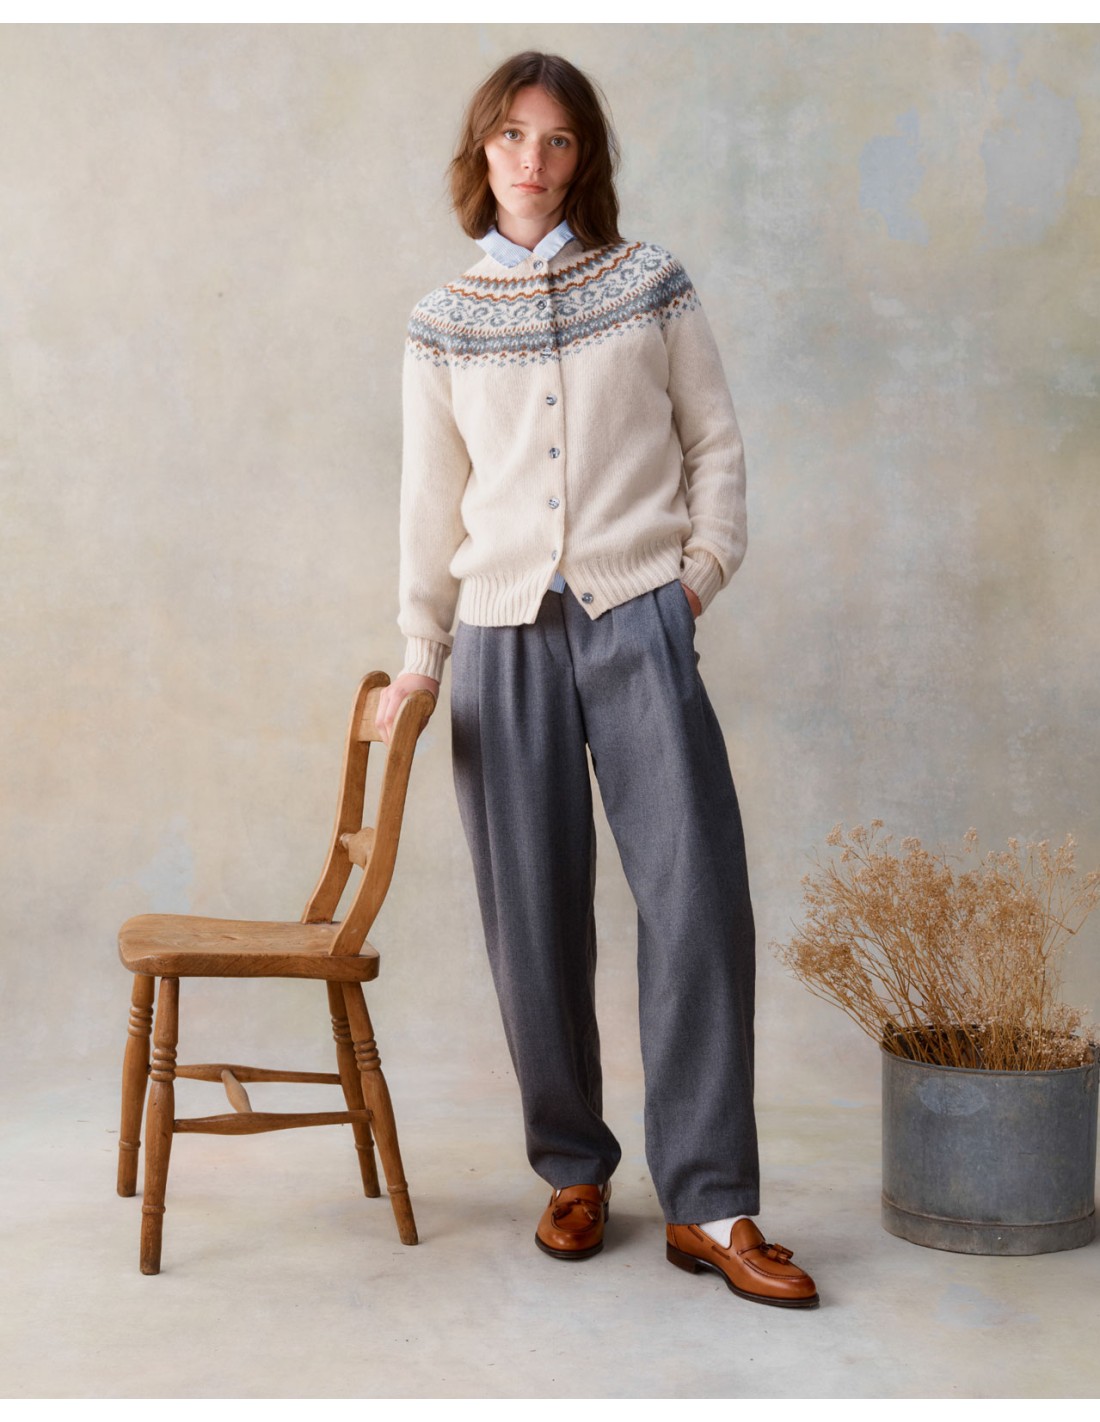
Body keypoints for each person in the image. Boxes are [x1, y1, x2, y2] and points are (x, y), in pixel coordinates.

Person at [377, 50, 818, 1309]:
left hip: (638, 617)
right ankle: (571, 1168)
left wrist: (696, 577)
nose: (532, 159)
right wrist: (420, 652)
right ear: (482, 152)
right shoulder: (442, 320)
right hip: (499, 633)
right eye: (511, 136)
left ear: (585, 158)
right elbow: (428, 503)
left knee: (696, 899)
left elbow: (713, 442)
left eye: (557, 139)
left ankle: (710, 1202)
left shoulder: (647, 283)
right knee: (530, 914)